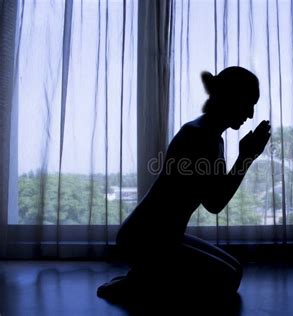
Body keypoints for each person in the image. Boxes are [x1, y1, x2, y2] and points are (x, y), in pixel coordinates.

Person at [97, 66, 270, 304]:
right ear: (231, 97)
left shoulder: (210, 135)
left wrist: (246, 156)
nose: (251, 114)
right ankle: (141, 282)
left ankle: (146, 276)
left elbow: (214, 197)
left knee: (235, 270)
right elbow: (215, 203)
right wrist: (246, 157)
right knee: (228, 278)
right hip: (145, 239)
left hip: (161, 236)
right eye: (248, 103)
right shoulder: (200, 137)